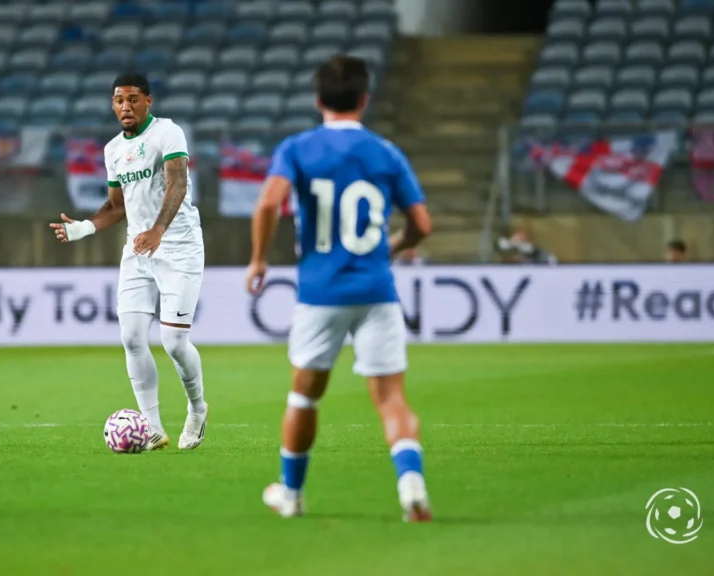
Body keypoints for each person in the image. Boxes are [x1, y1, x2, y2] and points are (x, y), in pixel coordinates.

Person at [245, 56, 433, 521]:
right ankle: (411, 485)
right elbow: (422, 225)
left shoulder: (297, 148)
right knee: (391, 398)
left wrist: (259, 258)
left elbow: (268, 204)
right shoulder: (386, 152)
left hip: (320, 293)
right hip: (376, 291)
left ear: (318, 100)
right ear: (364, 99)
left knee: (304, 396)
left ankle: (291, 494)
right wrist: (392, 247)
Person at [51, 73, 208, 452]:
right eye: (119, 100)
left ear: (148, 101)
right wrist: (84, 227)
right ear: (112, 105)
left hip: (179, 248)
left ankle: (198, 408)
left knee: (173, 341)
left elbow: (178, 183)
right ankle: (152, 428)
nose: (126, 106)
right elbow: (116, 206)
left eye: (133, 99)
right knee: (132, 337)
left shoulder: (168, 133)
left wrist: (158, 229)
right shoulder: (112, 150)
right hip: (138, 251)